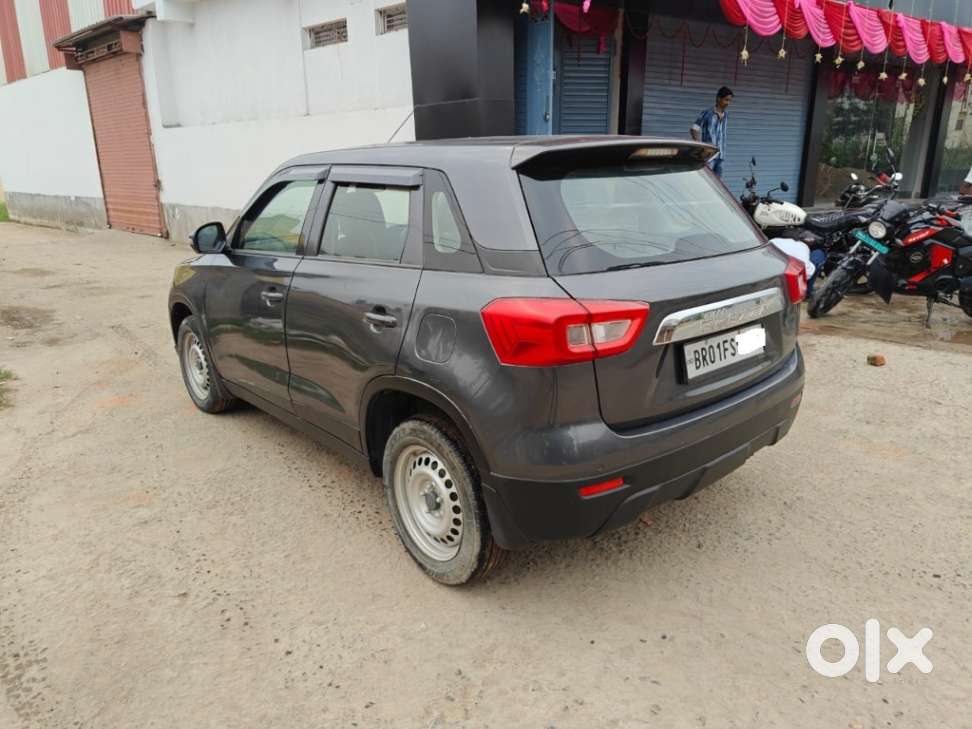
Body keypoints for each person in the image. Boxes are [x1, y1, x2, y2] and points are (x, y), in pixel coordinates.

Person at [690, 86, 733, 178]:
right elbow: (694, 129)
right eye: (726, 100)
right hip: (709, 157)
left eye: (729, 101)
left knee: (717, 185)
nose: (728, 103)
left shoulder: (726, 115)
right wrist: (701, 148)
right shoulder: (707, 113)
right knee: (707, 181)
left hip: (721, 156)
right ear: (718, 98)